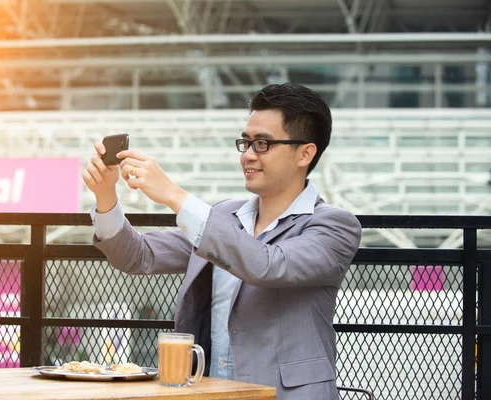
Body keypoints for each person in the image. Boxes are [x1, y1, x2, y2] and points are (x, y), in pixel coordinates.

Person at [83, 82, 362, 400]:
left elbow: (268, 266)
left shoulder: (334, 225)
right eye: (245, 143)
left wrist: (175, 196)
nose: (248, 156)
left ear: (305, 153)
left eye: (262, 144)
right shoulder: (223, 216)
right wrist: (106, 196)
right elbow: (137, 256)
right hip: (209, 392)